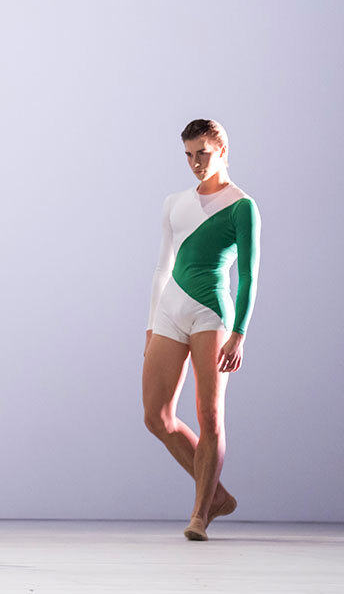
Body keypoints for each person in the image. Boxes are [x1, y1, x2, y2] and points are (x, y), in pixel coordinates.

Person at [141, 119, 260, 541]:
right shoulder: (174, 202)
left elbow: (247, 276)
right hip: (169, 312)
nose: (195, 163)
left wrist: (239, 333)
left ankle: (199, 515)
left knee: (209, 415)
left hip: (213, 316)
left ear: (222, 150)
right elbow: (161, 266)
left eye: (202, 154)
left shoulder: (242, 207)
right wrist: (151, 326)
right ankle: (218, 496)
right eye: (189, 155)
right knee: (156, 417)